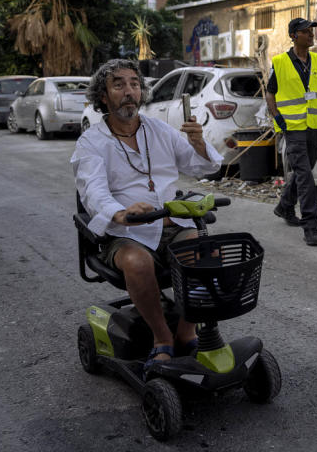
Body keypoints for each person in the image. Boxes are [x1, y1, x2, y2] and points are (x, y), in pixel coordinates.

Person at [71, 59, 223, 371]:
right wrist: (121, 213)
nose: (129, 91)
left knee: (206, 251)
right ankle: (161, 337)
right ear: (103, 96)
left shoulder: (159, 129)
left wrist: (198, 143)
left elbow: (204, 167)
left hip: (174, 226)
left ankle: (185, 331)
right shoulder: (92, 142)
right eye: (119, 85)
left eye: (134, 84)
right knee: (136, 261)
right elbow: (93, 191)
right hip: (126, 235)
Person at [265, 18, 317, 246]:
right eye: (306, 32)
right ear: (294, 35)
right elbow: (271, 93)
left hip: (314, 125)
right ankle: (310, 226)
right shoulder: (281, 62)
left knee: (305, 171)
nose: (312, 35)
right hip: (292, 128)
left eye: (312, 32)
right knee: (305, 176)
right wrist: (277, 116)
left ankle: (284, 206)